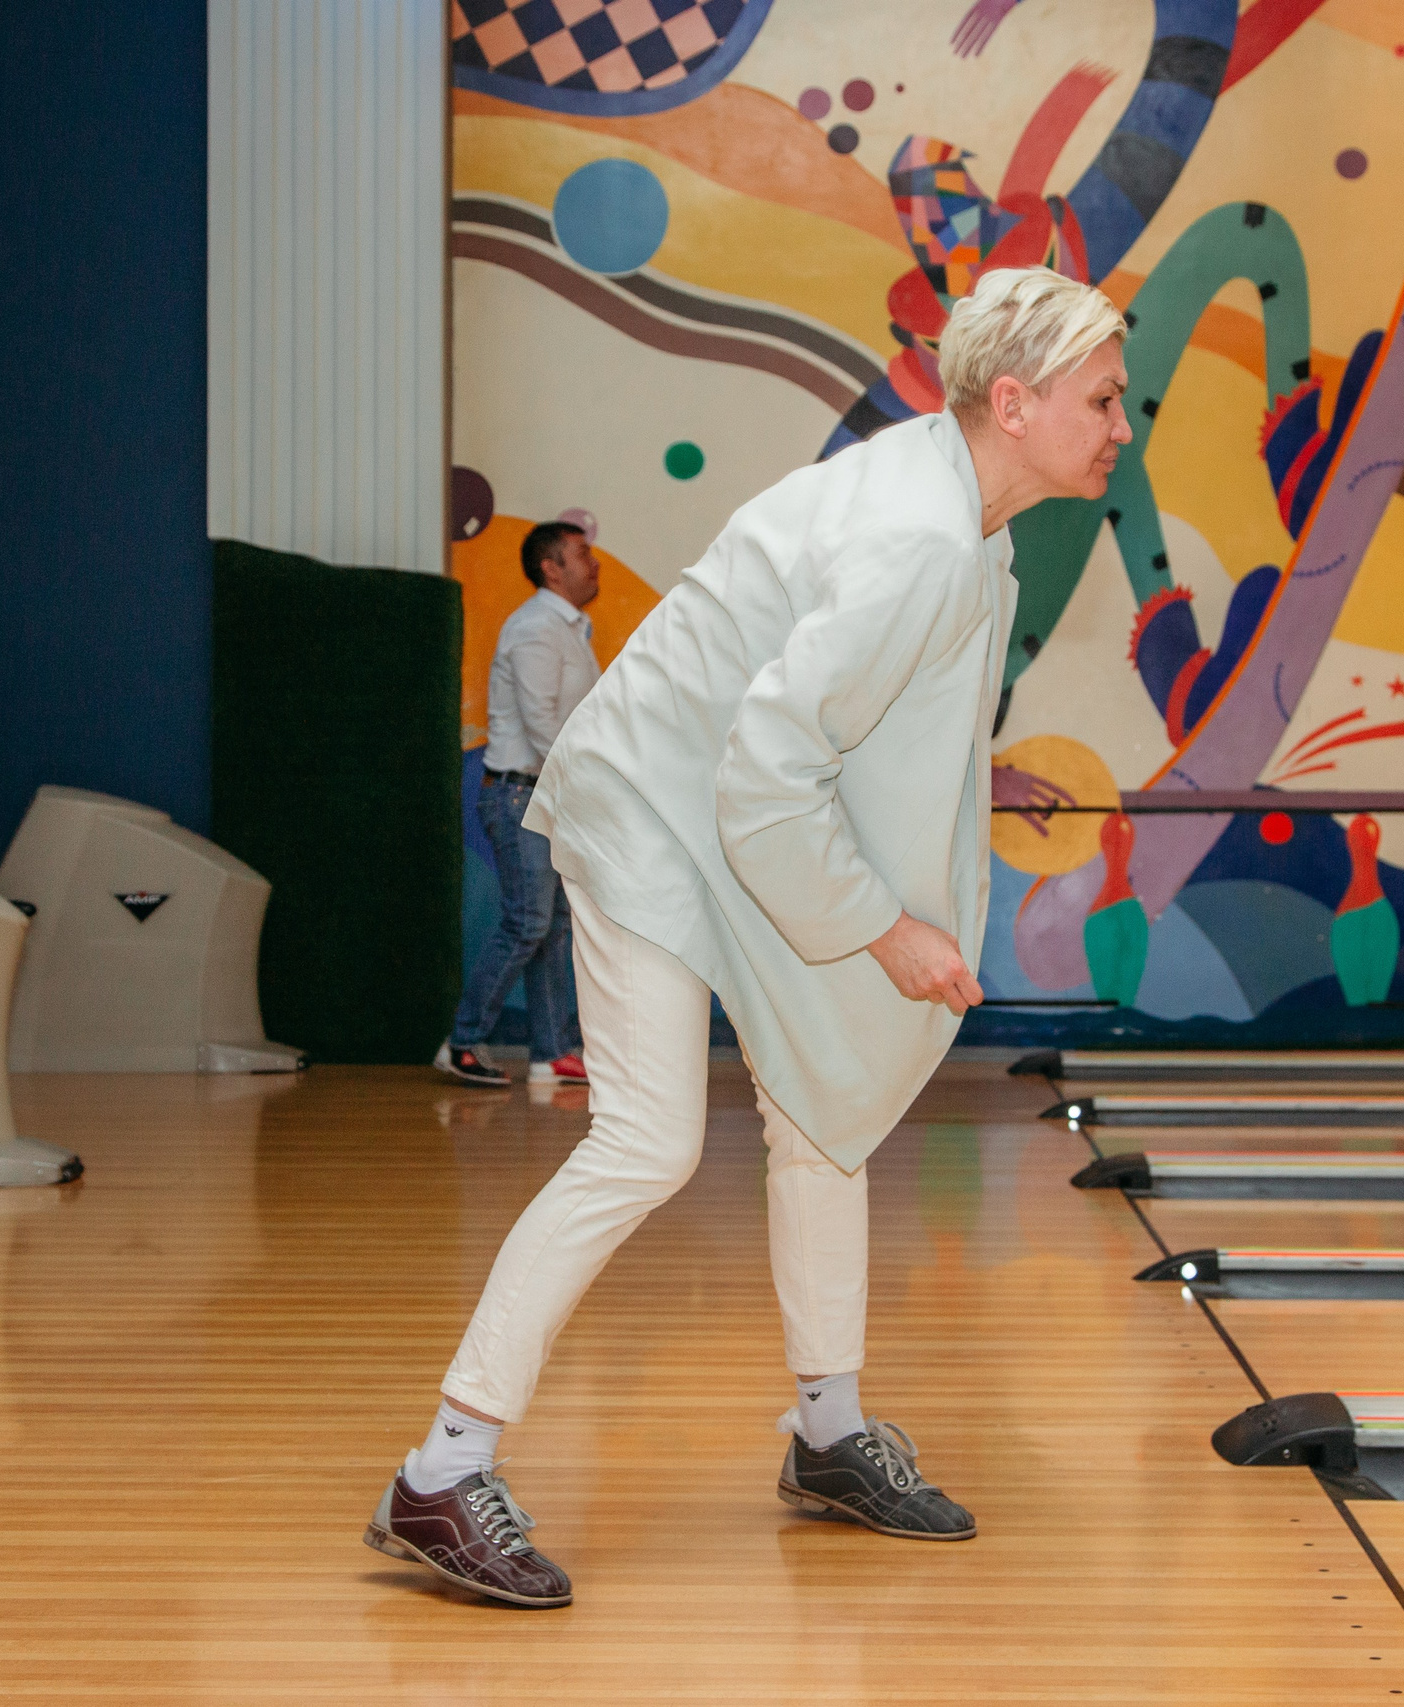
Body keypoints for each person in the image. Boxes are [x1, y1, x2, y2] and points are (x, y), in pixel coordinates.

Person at [364, 266, 1133, 1608]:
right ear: (1014, 404)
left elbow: (855, 748)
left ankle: (829, 1436)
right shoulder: (925, 539)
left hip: (735, 813)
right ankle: (441, 1469)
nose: (1124, 425)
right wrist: (886, 928)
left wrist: (895, 913)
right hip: (662, 812)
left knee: (820, 1115)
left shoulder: (964, 512)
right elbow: (768, 771)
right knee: (648, 1136)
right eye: (1106, 398)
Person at [434, 514, 605, 1090]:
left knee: (552, 925)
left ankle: (552, 1052)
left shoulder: (568, 629)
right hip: (519, 795)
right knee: (529, 920)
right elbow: (540, 724)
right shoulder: (536, 627)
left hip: (542, 796)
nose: (594, 561)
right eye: (581, 553)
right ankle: (462, 1041)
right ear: (551, 569)